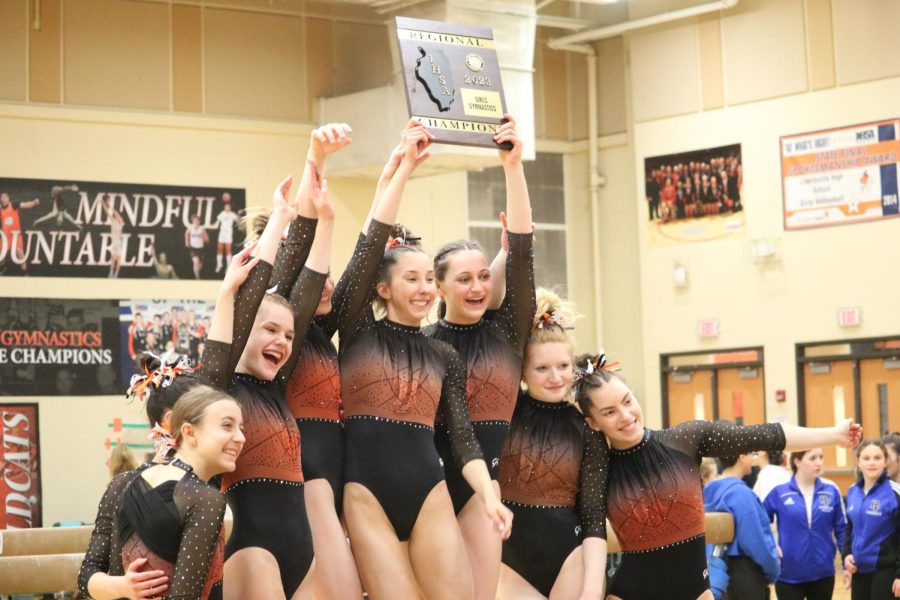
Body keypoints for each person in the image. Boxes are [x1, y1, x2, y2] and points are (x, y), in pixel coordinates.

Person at [336, 120, 511, 599]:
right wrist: (403, 169)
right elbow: (368, 246)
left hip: (428, 490)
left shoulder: (442, 354)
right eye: (410, 279)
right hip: (366, 493)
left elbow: (461, 437)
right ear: (382, 288)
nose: (423, 288)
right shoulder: (357, 333)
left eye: (428, 279)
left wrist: (489, 494)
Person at [572, 355, 862, 600]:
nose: (625, 415)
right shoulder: (598, 470)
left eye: (627, 401)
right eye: (609, 412)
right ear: (592, 422)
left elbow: (766, 434)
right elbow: (592, 531)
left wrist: (834, 434)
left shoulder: (685, 440)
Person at [200, 171, 335, 599]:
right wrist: (279, 217)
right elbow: (245, 304)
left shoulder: (277, 388)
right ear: (244, 328)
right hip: (254, 551)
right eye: (269, 331)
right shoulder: (219, 389)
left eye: (289, 335)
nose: (281, 341)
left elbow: (311, 284)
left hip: (302, 554)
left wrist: (326, 221)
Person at [248, 122, 362, 599]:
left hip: (339, 471)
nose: (328, 282)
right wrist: (314, 159)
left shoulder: (317, 333)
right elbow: (297, 260)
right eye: (321, 273)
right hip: (307, 472)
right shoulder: (284, 336)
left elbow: (360, 260)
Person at [424, 114, 535, 599]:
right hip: (430, 485)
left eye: (482, 277)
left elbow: (523, 253)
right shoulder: (423, 340)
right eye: (463, 279)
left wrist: (512, 166)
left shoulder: (507, 332)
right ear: (439, 285)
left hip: (488, 486)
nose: (476, 287)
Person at [79, 385, 245, 600]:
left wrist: (122, 587)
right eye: (227, 426)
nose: (241, 437)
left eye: (241, 428)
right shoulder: (203, 499)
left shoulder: (122, 483)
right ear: (189, 432)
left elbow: (86, 577)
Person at [496, 290, 608, 600]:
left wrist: (591, 588)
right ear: (522, 373)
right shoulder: (505, 413)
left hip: (568, 556)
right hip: (509, 558)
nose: (555, 377)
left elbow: (593, 514)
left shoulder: (587, 426)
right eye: (542, 369)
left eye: (562, 366)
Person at [763, 448, 846, 600]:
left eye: (821, 457)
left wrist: (846, 562)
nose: (819, 463)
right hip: (788, 574)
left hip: (823, 573)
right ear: (797, 461)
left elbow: (842, 529)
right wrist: (771, 545)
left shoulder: (831, 491)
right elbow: (759, 522)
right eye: (812, 458)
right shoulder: (779, 492)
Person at [704, 451, 780, 599]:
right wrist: (772, 571)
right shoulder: (741, 494)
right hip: (744, 575)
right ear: (742, 457)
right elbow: (756, 542)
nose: (755, 458)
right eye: (752, 454)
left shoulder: (707, 492)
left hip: (715, 573)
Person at [842, 439, 900, 600]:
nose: (872, 463)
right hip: (859, 570)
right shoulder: (853, 491)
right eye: (866, 458)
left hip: (885, 571)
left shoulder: (895, 492)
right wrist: (846, 555)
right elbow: (849, 528)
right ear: (859, 462)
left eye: (877, 458)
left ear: (885, 461)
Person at [0, 192, 40, 275]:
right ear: (1, 199)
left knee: (20, 252)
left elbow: (25, 205)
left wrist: (34, 202)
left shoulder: (14, 204)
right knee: (1, 256)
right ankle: (2, 269)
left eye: (6, 196)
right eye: (2, 197)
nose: (4, 198)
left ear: (8, 198)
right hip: (5, 236)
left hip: (16, 235)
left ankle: (25, 273)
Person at [214, 195, 240, 274]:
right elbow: (217, 222)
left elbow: (238, 220)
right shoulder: (222, 213)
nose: (227, 208)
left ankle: (228, 267)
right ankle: (219, 265)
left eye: (228, 207)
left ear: (230, 208)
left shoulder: (232, 214)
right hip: (222, 233)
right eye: (226, 206)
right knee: (220, 249)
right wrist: (213, 226)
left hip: (228, 234)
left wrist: (239, 214)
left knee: (228, 250)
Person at [102, 197, 125, 278]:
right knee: (113, 258)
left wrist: (109, 205)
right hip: (114, 241)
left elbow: (115, 213)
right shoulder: (113, 221)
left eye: (117, 215)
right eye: (115, 215)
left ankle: (116, 273)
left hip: (118, 241)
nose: (115, 215)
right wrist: (103, 203)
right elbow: (107, 212)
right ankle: (111, 272)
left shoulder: (121, 222)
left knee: (117, 258)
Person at [185, 213, 209, 279]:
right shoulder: (190, 228)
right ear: (192, 221)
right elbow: (186, 234)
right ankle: (197, 278)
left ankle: (197, 272)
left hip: (201, 248)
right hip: (193, 248)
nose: (196, 222)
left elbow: (207, 240)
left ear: (199, 221)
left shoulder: (202, 229)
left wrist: (203, 238)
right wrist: (187, 242)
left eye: (197, 220)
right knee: (196, 261)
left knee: (200, 265)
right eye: (194, 220)